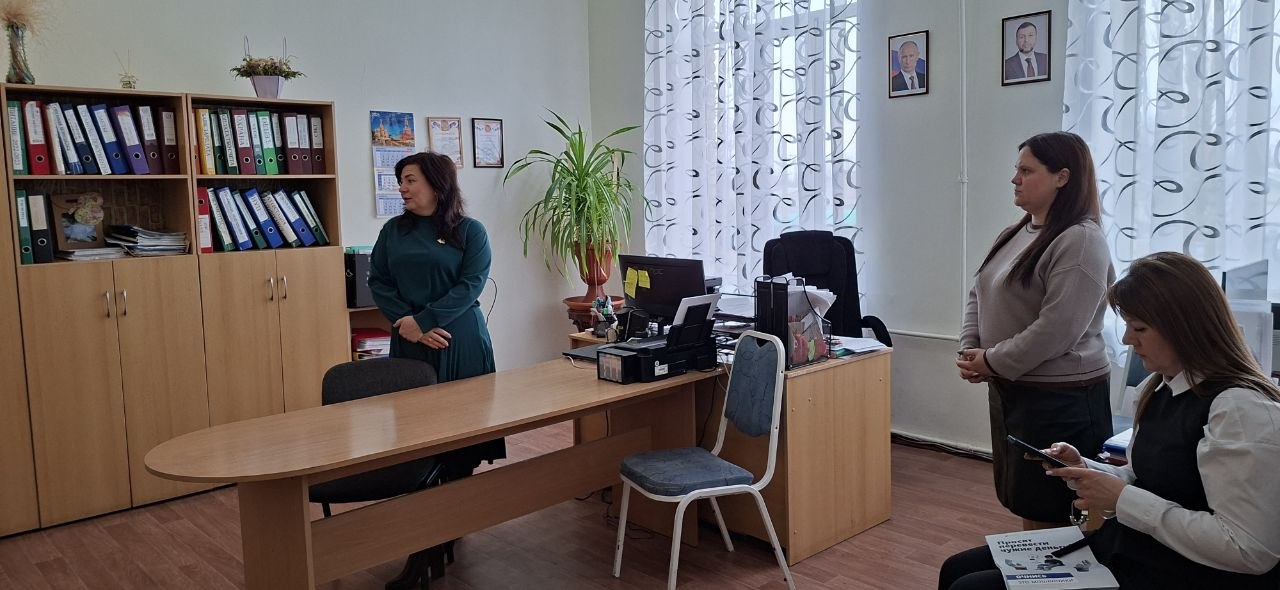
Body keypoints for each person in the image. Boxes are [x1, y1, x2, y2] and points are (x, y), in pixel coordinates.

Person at [940, 252, 1280, 589]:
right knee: (956, 568)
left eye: (1139, 328)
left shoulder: (1240, 410)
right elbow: (1150, 479)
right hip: (1141, 548)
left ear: (1184, 327)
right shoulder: (1159, 387)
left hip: (1186, 572)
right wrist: (1086, 469)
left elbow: (1249, 550)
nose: (1128, 340)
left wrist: (1122, 499)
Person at [956, 131, 1115, 530]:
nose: (1015, 179)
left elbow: (1057, 330)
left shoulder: (1080, 240)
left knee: (1060, 508)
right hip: (1014, 389)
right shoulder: (1014, 233)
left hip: (1061, 399)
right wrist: (970, 349)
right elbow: (979, 291)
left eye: (1027, 171)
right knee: (1026, 498)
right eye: (1017, 170)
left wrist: (992, 360)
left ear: (1062, 177)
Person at [368, 151, 504, 471]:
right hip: (409, 339)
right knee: (414, 433)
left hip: (459, 339)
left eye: (410, 180)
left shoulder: (470, 231)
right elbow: (378, 282)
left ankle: (460, 492)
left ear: (437, 184)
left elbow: (471, 285)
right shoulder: (392, 231)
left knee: (463, 434)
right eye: (400, 181)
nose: (402, 187)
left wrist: (425, 321)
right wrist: (410, 325)